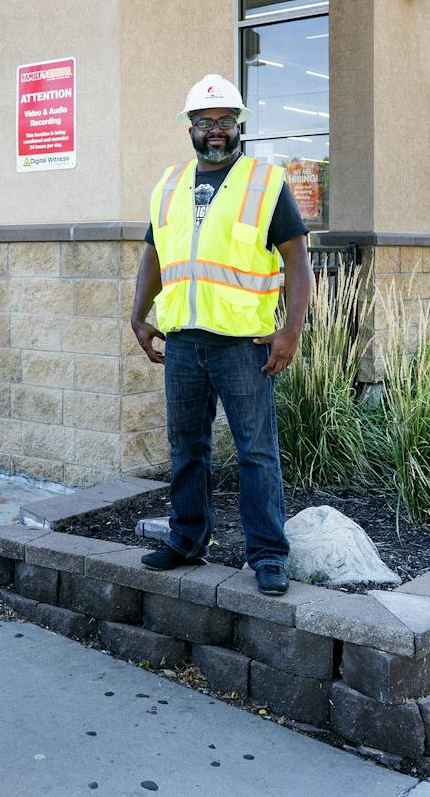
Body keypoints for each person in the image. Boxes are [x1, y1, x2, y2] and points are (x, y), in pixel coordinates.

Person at [129, 75, 311, 596]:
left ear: (239, 127)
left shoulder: (263, 182)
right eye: (206, 122)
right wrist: (138, 315)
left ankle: (269, 556)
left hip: (243, 343)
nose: (216, 131)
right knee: (186, 444)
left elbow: (297, 260)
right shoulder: (168, 184)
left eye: (225, 123)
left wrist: (291, 329)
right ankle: (187, 538)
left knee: (256, 450)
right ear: (190, 127)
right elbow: (155, 255)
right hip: (184, 340)